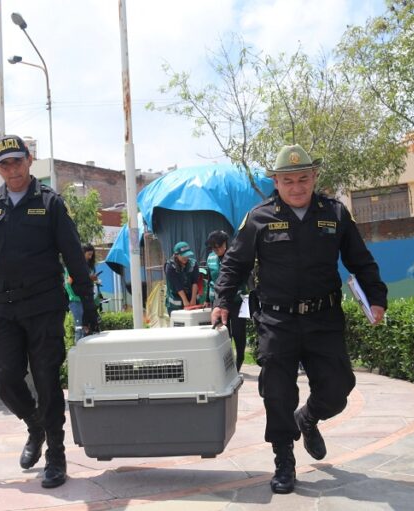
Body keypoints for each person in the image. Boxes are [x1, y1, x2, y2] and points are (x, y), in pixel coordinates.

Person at [211, 144, 387, 495]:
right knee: (277, 393)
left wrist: (377, 298)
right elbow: (234, 263)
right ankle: (284, 460)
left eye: (303, 178)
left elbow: (360, 259)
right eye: (287, 180)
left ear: (314, 177)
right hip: (277, 321)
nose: (296, 187)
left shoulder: (335, 214)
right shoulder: (259, 217)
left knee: (339, 389)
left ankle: (308, 418)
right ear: (276, 181)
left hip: (324, 318)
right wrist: (222, 301)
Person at [0, 134, 99, 489]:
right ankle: (34, 424)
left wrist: (88, 304)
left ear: (29, 160)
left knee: (46, 378)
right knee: (4, 376)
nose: (12, 169)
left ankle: (56, 454)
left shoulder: (50, 203)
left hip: (45, 306)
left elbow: (73, 256)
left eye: (17, 161)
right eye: (4, 164)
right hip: (5, 306)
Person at [204, 230, 248, 371]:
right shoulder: (211, 259)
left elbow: (243, 278)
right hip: (217, 302)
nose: (216, 250)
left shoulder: (235, 257)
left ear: (226, 243)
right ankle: (225, 366)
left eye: (218, 247)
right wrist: (207, 299)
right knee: (223, 333)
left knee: (239, 333)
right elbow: (210, 279)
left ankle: (239, 360)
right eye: (213, 248)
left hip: (237, 300)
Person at [65, 243, 99, 342]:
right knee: (79, 326)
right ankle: (78, 347)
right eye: (88, 254)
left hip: (86, 299)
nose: (90, 257)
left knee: (86, 327)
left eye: (91, 255)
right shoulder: (74, 266)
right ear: (82, 253)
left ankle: (84, 347)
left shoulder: (88, 267)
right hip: (76, 300)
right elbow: (68, 284)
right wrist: (74, 296)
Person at [165, 241, 200, 315]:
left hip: (191, 297)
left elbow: (195, 282)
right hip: (175, 302)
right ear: (176, 255)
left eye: (187, 255)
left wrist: (193, 300)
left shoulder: (193, 264)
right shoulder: (170, 266)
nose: (186, 257)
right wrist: (185, 301)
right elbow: (177, 285)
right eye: (183, 255)